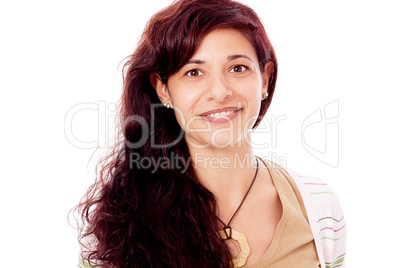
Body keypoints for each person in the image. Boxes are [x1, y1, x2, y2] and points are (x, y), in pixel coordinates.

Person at [75, 0, 346, 267]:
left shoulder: (320, 208)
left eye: (237, 68)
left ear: (265, 78)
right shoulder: (117, 223)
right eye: (194, 72)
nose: (219, 92)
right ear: (163, 89)